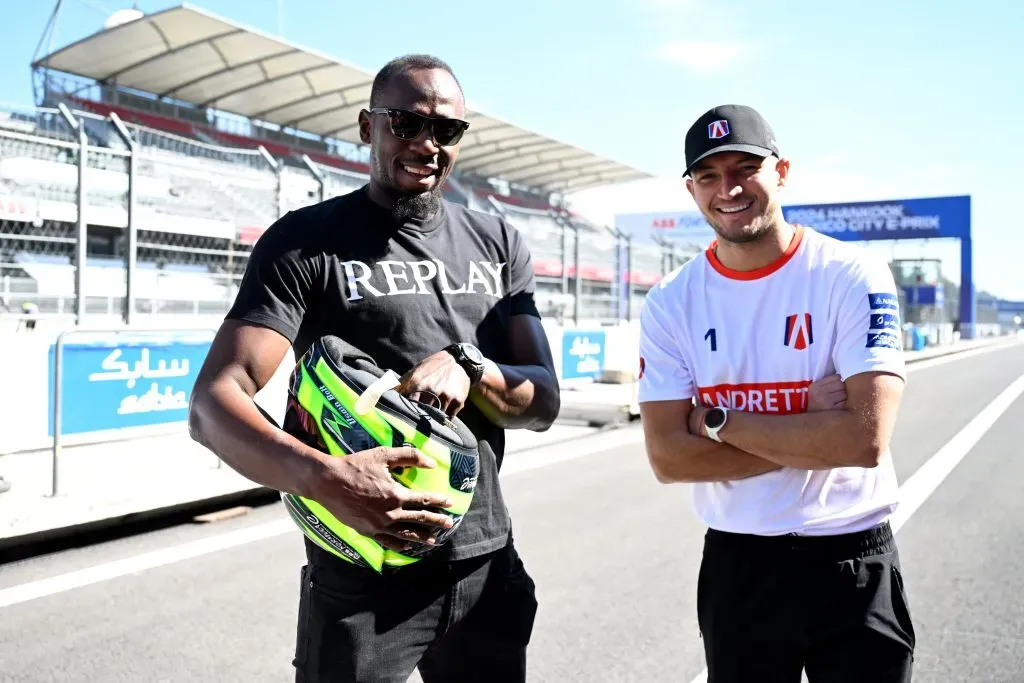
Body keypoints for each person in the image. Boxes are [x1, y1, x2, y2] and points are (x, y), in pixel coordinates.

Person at [188, 54, 560, 683]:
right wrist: (329, 479)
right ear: (367, 127)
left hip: (483, 566)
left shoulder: (498, 243)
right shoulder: (306, 242)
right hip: (362, 574)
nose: (427, 144)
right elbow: (212, 403)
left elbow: (544, 400)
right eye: (406, 123)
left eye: (446, 131)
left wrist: (471, 366)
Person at [637, 104, 916, 682]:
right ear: (690, 190)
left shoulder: (851, 274)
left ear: (782, 171)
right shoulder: (671, 300)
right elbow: (668, 459)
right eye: (709, 176)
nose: (729, 189)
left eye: (746, 168)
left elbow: (862, 440)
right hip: (742, 565)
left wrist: (717, 421)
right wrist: (807, 429)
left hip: (854, 558)